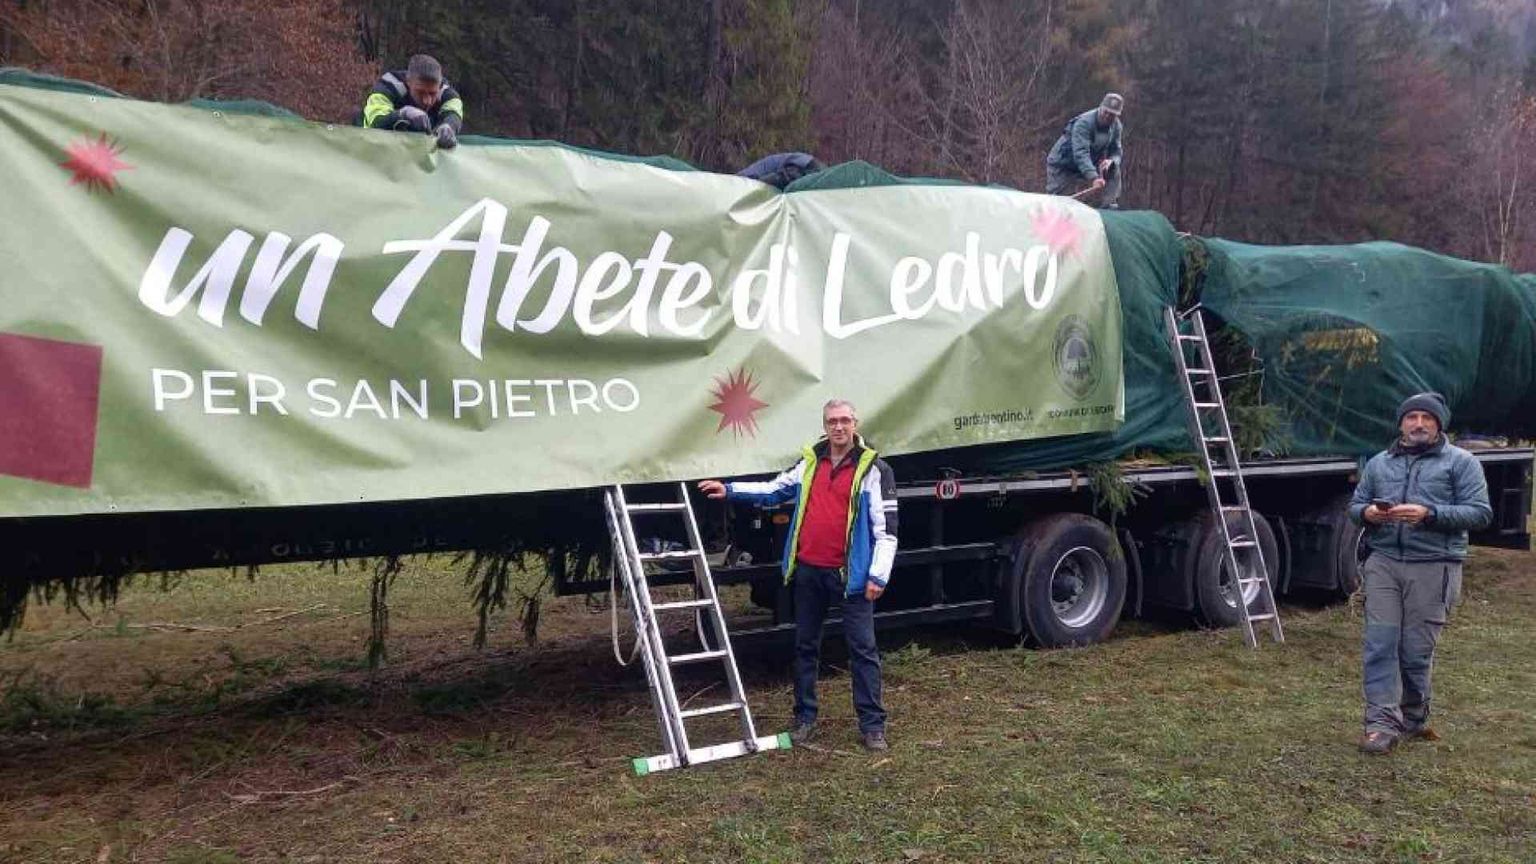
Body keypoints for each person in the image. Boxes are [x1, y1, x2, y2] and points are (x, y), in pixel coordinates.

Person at [698, 399, 898, 751]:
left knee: (862, 651)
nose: (839, 427)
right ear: (824, 425)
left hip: (849, 578)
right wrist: (729, 490)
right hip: (809, 573)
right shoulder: (809, 463)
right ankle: (804, 719)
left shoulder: (874, 469)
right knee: (805, 648)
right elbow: (774, 489)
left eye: (845, 420)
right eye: (832, 421)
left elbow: (887, 531)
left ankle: (872, 726)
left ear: (856, 423)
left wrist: (877, 576)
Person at [1347, 392, 1491, 755]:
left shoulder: (1461, 463)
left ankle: (1413, 715)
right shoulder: (1379, 463)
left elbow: (1480, 513)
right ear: (1401, 424)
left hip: (1434, 564)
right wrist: (1368, 514)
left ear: (1439, 424)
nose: (1419, 424)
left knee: (1414, 651)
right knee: (1380, 644)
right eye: (1412, 418)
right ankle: (1381, 724)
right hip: (1383, 562)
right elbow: (1355, 506)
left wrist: (1430, 514)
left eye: (1428, 418)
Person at [361, 54, 464, 149]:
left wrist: (448, 127)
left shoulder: (449, 94)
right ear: (408, 82)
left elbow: (454, 114)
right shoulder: (386, 88)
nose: (427, 101)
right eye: (420, 92)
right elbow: (374, 122)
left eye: (432, 94)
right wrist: (402, 114)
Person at [1046, 92, 1125, 209]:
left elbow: (1117, 151)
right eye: (1106, 112)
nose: (1108, 116)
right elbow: (1081, 153)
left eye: (1112, 115)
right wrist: (1094, 177)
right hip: (1063, 163)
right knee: (1057, 202)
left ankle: (1109, 205)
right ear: (1101, 107)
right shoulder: (1084, 123)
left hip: (1089, 161)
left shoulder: (1116, 126)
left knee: (1114, 167)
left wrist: (1111, 161)